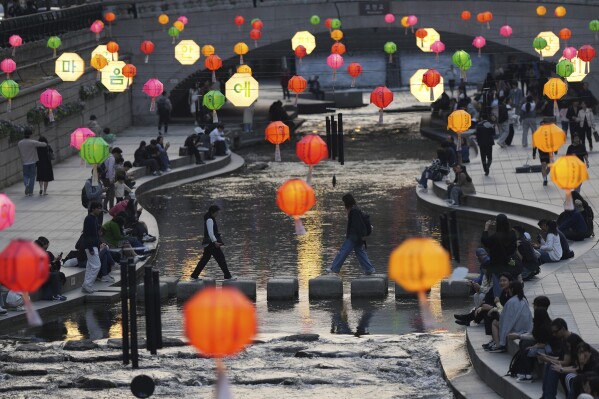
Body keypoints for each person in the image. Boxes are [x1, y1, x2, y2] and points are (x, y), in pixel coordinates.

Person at [325, 193, 376, 276]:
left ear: (347, 202)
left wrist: (351, 237)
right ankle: (369, 269)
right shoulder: (355, 209)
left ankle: (334, 268)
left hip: (354, 237)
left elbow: (356, 225)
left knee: (343, 251)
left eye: (344, 202)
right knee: (360, 252)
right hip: (358, 237)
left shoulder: (354, 211)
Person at [538, 318, 584, 399]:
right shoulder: (564, 339)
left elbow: (566, 362)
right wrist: (546, 357)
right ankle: (545, 395)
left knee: (553, 367)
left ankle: (549, 397)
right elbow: (560, 357)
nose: (554, 334)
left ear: (563, 329)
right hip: (573, 365)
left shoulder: (570, 339)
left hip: (579, 368)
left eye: (555, 332)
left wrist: (547, 359)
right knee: (550, 364)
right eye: (553, 332)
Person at [190, 205, 234, 280]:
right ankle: (227, 276)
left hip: (209, 244)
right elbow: (210, 232)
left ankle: (194, 276)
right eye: (217, 212)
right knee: (221, 258)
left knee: (205, 260)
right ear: (213, 212)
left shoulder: (210, 218)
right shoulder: (210, 219)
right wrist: (215, 242)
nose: (217, 214)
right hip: (211, 244)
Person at [487, 281, 532, 353]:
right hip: (525, 327)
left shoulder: (511, 301)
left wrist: (503, 340)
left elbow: (506, 320)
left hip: (516, 328)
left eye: (509, 289)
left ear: (512, 290)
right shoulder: (524, 299)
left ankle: (498, 345)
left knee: (494, 322)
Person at [481, 214, 520, 296]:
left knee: (498, 287)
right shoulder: (512, 234)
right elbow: (513, 248)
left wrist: (486, 228)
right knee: (511, 285)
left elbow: (485, 241)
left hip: (497, 266)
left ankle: (499, 304)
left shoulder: (495, 237)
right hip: (510, 264)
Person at [514, 305, 553, 382]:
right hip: (545, 347)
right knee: (526, 348)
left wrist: (533, 347)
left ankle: (527, 374)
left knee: (527, 351)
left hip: (547, 349)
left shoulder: (543, 328)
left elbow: (543, 343)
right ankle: (525, 373)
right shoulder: (546, 324)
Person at [34, 237, 67, 301]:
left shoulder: (47, 253)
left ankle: (56, 295)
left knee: (59, 274)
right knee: (54, 275)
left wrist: (56, 261)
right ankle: (56, 295)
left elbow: (54, 265)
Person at [17, 129, 48, 196]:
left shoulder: (19, 143)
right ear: (30, 135)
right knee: (32, 176)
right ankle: (30, 192)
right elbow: (43, 144)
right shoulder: (32, 142)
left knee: (25, 175)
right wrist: (45, 142)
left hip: (25, 162)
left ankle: (26, 184)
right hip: (32, 162)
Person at [82, 202, 103, 294]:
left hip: (94, 245)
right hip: (90, 246)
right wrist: (90, 248)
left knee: (90, 266)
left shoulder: (95, 219)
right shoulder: (88, 219)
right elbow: (86, 234)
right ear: (93, 209)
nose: (100, 210)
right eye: (98, 208)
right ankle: (87, 284)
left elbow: (96, 234)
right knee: (96, 266)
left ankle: (86, 285)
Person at [102, 147, 122, 211]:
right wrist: (111, 179)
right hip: (108, 178)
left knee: (108, 193)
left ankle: (105, 207)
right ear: (116, 153)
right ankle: (111, 208)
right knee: (111, 194)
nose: (118, 156)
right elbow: (110, 169)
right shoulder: (112, 158)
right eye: (118, 155)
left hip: (105, 177)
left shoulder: (108, 156)